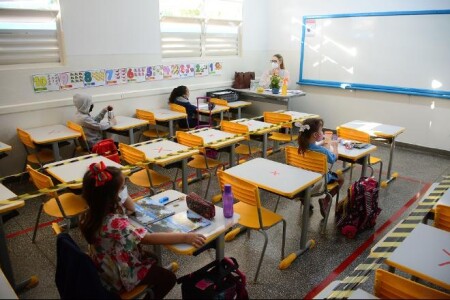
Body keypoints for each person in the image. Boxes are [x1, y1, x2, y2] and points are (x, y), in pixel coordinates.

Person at [79, 162, 206, 299]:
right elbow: (147, 238)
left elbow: (132, 208)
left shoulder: (92, 212)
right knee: (168, 278)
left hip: (104, 266)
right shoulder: (113, 222)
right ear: (111, 198)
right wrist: (185, 237)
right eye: (122, 188)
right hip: (119, 275)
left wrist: (119, 193)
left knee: (153, 258)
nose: (125, 191)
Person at [297, 118, 344, 218]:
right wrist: (335, 147)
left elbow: (313, 147)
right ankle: (325, 201)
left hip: (302, 178)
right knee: (340, 179)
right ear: (315, 135)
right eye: (321, 130)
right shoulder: (323, 151)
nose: (322, 132)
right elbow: (333, 159)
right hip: (318, 181)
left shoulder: (301, 147)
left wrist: (321, 143)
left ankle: (305, 199)